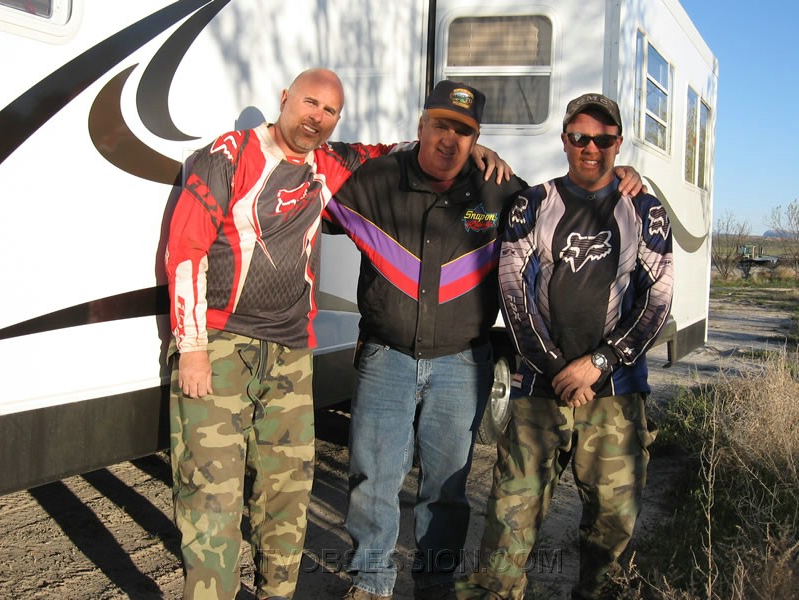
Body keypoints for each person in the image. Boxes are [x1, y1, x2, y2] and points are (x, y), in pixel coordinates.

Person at [166, 68, 509, 600]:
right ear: (284, 99)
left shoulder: (335, 164)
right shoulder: (232, 157)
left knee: (294, 495)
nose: (316, 118)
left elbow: (401, 152)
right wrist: (191, 348)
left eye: (329, 112)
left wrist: (490, 155)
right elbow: (184, 249)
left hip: (310, 356)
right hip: (231, 345)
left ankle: (303, 591)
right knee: (220, 496)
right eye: (309, 104)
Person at [323, 83, 646, 600]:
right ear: (421, 125)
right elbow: (313, 175)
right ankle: (370, 583)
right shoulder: (375, 180)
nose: (449, 140)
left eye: (465, 131)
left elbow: (579, 195)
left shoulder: (504, 191)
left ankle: (435, 584)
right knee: (372, 481)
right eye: (440, 126)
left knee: (448, 489)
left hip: (462, 362)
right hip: (386, 356)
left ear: (478, 138)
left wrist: (628, 175)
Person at [455, 93, 674, 600]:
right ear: (564, 140)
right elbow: (512, 292)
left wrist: (598, 364)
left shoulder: (645, 210)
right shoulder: (533, 204)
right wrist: (558, 368)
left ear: (618, 143)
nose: (590, 148)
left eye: (603, 138)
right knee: (510, 519)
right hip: (538, 389)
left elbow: (656, 301)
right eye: (579, 137)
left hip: (616, 394)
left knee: (611, 530)